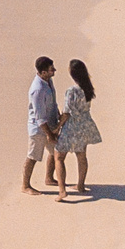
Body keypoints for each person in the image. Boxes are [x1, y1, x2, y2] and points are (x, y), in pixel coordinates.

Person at [54, 59, 102, 198]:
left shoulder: (72, 90)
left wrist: (57, 128)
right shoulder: (88, 88)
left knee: (59, 157)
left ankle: (62, 190)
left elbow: (67, 112)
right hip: (85, 125)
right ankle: (80, 185)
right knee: (81, 156)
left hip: (72, 126)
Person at [21, 57, 59, 195]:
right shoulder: (37, 90)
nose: (54, 71)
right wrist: (49, 134)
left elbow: (53, 103)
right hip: (39, 129)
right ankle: (25, 186)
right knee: (33, 156)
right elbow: (40, 117)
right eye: (51, 69)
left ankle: (49, 178)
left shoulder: (48, 81)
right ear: (43, 72)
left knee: (56, 151)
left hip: (51, 124)